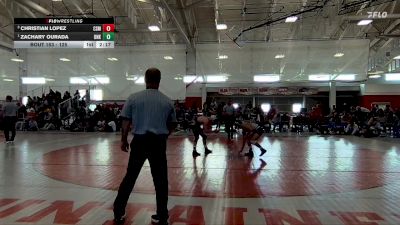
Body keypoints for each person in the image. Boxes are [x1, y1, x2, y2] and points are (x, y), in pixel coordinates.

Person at [113, 68, 177, 225]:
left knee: (130, 178)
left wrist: (123, 140)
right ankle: (162, 216)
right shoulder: (168, 101)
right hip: (158, 143)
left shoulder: (134, 98)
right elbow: (172, 124)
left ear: (145, 80)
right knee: (161, 180)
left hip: (140, 142)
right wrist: (163, 136)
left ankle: (118, 212)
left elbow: (126, 121)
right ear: (160, 80)